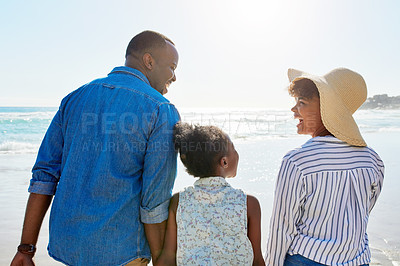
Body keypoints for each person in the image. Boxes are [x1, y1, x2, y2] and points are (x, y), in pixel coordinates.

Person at [11, 30, 180, 266]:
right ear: (149, 61)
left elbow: (44, 176)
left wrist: (26, 249)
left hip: (69, 248)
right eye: (172, 67)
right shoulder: (161, 110)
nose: (174, 77)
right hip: (123, 252)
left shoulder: (74, 98)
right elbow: (154, 202)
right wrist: (162, 260)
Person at [265, 68, 384, 266]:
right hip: (358, 260)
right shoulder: (373, 161)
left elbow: (282, 229)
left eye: (301, 103)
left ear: (326, 111)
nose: (293, 111)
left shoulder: (296, 162)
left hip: (306, 259)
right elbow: (363, 211)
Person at [155, 122, 265, 266]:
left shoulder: (179, 201)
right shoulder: (248, 204)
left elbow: (169, 257)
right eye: (234, 148)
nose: (237, 154)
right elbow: (256, 259)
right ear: (224, 162)